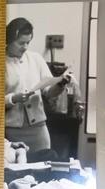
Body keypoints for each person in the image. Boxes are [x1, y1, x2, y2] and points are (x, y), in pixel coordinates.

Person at [5, 17, 69, 152]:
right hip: (10, 130)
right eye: (21, 43)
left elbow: (49, 92)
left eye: (28, 42)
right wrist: (13, 99)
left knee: (44, 163)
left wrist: (61, 84)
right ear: (9, 40)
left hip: (38, 129)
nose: (25, 47)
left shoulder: (36, 58)